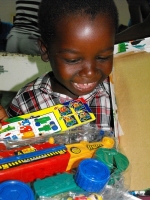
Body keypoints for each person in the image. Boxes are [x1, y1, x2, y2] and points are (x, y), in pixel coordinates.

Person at [0, 0, 118, 130]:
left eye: (103, 57)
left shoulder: (117, 92)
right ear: (45, 50)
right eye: (73, 60)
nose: (90, 72)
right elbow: (11, 143)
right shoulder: (26, 102)